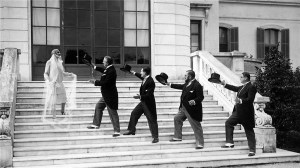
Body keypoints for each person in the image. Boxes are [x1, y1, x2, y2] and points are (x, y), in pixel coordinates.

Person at [217, 72, 257, 157]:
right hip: (238, 112)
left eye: (241, 77)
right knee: (228, 123)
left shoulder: (251, 87)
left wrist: (240, 100)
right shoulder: (243, 87)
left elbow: (250, 100)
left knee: (249, 130)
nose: (240, 78)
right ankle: (229, 143)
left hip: (246, 113)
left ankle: (252, 150)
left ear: (246, 78)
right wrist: (224, 84)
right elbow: (235, 88)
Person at [166, 70, 205, 149]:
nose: (184, 77)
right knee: (177, 118)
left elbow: (201, 97)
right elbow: (181, 86)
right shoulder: (187, 84)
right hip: (184, 108)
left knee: (196, 126)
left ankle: (200, 143)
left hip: (192, 110)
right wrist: (169, 84)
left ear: (190, 76)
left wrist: (194, 101)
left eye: (185, 76)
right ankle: (178, 137)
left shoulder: (197, 85)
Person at [87, 56, 120, 137]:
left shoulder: (111, 71)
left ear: (107, 62)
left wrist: (95, 82)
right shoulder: (108, 69)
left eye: (104, 61)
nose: (103, 62)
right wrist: (94, 67)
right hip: (105, 95)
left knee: (112, 113)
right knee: (98, 107)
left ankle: (117, 131)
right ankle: (96, 124)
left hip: (110, 96)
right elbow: (103, 70)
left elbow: (106, 82)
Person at [123, 67, 159, 143]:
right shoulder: (145, 78)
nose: (141, 72)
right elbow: (139, 75)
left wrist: (139, 96)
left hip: (148, 104)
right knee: (134, 113)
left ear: (145, 73)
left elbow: (149, 95)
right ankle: (131, 130)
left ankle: (155, 137)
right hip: (142, 102)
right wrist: (133, 72)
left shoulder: (151, 82)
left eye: (142, 71)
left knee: (152, 120)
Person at [44, 49, 75, 119]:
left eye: (59, 53)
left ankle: (62, 111)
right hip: (53, 84)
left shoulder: (59, 63)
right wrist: (49, 81)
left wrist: (70, 74)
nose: (59, 54)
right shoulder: (49, 62)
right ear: (53, 54)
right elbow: (46, 73)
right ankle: (54, 115)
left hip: (60, 83)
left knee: (64, 97)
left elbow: (62, 73)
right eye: (57, 53)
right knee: (53, 100)